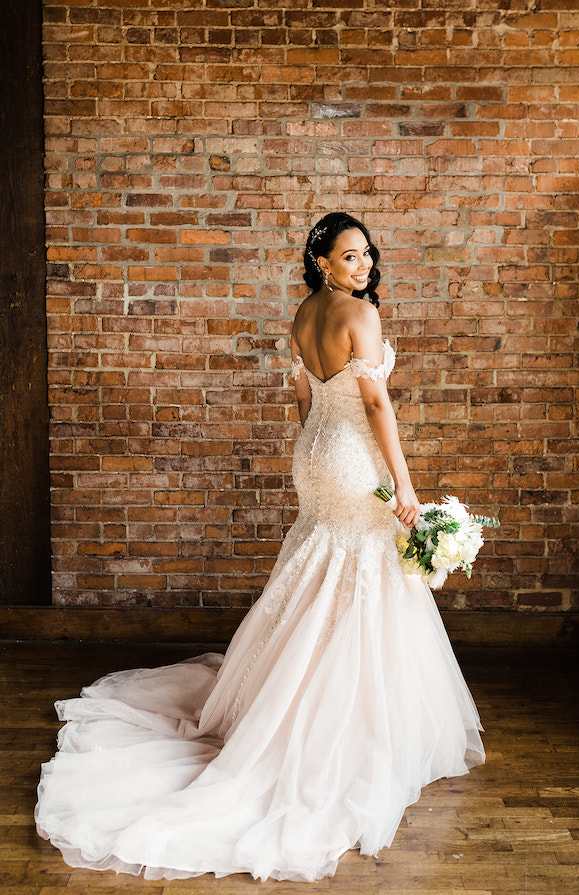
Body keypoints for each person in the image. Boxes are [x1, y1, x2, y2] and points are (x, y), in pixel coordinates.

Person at [35, 212, 485, 882]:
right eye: (350, 256)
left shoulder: (303, 313)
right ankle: (344, 723)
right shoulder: (358, 315)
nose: (363, 265)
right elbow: (377, 408)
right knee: (357, 570)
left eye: (367, 255)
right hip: (353, 457)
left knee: (321, 565)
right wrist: (406, 488)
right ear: (323, 261)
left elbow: (304, 400)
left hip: (314, 455)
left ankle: (291, 692)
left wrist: (318, 454)